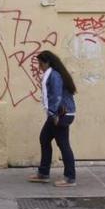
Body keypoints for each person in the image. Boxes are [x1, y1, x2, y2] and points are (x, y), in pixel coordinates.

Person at [28, 50, 78, 187]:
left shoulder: (54, 75)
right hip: (59, 113)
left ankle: (70, 178)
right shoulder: (54, 73)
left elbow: (56, 96)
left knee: (63, 145)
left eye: (41, 63)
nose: (39, 67)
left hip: (60, 114)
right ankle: (43, 174)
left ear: (48, 62)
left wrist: (53, 114)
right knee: (44, 138)